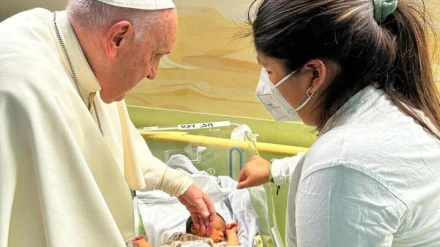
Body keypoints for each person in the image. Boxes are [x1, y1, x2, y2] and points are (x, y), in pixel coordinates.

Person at [0, 0, 216, 246]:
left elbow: (113, 147)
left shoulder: (82, 53)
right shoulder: (22, 90)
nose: (153, 73)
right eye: (155, 55)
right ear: (117, 39)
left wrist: (177, 184)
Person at [236, 0, 440, 246]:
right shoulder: (395, 109)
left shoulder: (341, 162)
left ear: (314, 74)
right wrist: (273, 170)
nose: (266, 87)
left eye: (269, 71)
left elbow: (342, 169)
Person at [132, 214, 239, 247]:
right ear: (194, 228)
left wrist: (231, 234)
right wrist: (143, 243)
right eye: (218, 229)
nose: (222, 234)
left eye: (223, 233)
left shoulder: (214, 245)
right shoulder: (177, 238)